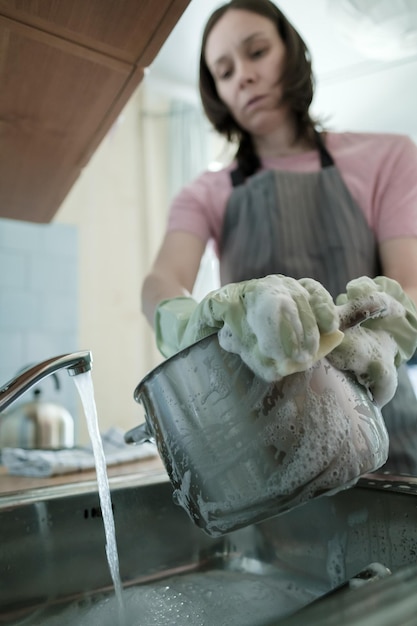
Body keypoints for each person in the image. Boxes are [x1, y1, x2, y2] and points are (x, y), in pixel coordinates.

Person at [141, 0, 417, 474]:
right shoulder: (205, 193)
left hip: (389, 436)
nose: (243, 76)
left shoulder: (388, 157)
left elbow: (411, 281)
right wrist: (193, 321)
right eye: (224, 72)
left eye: (256, 52)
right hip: (273, 447)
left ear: (290, 53)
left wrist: (382, 335)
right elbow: (160, 283)